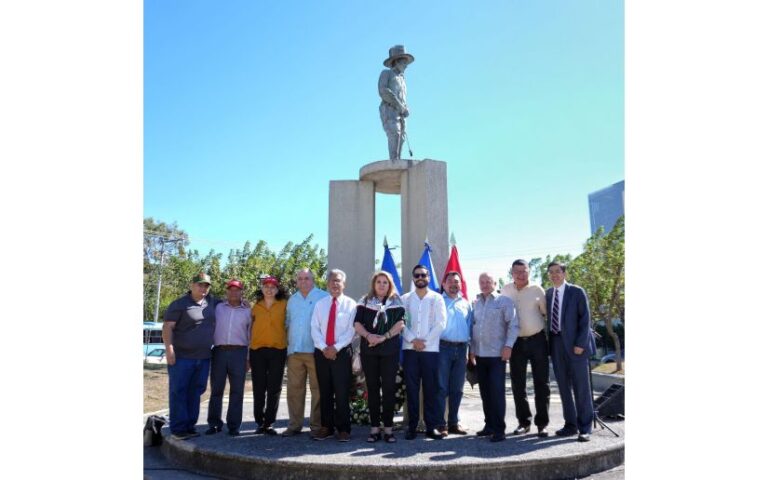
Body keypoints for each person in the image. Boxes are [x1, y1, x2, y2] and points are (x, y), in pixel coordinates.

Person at [162, 272, 218, 440]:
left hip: (204, 357)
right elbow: (167, 327)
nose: (203, 288)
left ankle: (190, 426)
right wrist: (169, 349)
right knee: (179, 391)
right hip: (182, 358)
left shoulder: (212, 303)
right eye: (199, 284)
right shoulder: (179, 304)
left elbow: (232, 302)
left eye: (206, 285)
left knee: (196, 392)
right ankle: (178, 429)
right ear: (191, 286)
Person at [353, 271, 406, 443]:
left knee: (389, 390)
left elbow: (401, 324)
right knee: (373, 390)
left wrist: (383, 337)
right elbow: (357, 323)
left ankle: (389, 429)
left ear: (389, 284)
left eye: (385, 282)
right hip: (369, 351)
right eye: (379, 282)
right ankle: (375, 428)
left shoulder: (397, 301)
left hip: (389, 351)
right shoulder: (365, 301)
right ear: (374, 284)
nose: (382, 285)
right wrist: (369, 336)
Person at [546, 261, 596, 442]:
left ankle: (585, 427)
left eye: (558, 271)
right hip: (556, 344)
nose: (554, 275)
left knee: (581, 387)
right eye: (551, 272)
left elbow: (585, 319)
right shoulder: (549, 293)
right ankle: (570, 425)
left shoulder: (577, 291)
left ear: (564, 273)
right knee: (563, 387)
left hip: (576, 346)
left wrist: (581, 343)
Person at [501, 259, 551, 438]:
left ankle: (542, 424)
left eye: (524, 271)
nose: (521, 275)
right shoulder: (505, 290)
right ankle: (524, 422)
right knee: (518, 385)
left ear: (529, 272)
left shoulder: (538, 290)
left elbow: (546, 314)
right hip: (516, 343)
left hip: (537, 340)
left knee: (541, 384)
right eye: (517, 271)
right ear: (511, 273)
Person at [469, 273, 519, 442]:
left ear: (495, 283)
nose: (484, 284)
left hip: (497, 355)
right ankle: (489, 425)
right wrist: (473, 350)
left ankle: (499, 429)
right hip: (481, 355)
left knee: (497, 393)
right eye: (481, 281)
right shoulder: (475, 303)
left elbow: (513, 325)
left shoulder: (504, 301)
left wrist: (508, 346)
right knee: (485, 393)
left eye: (488, 281)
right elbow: (474, 328)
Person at [310, 269, 357, 442]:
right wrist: (324, 348)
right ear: (327, 284)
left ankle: (344, 429)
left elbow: (351, 331)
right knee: (325, 390)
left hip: (342, 353)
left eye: (338, 281)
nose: (335, 284)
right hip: (322, 353)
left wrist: (335, 348)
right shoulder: (320, 304)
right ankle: (326, 427)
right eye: (331, 281)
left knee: (342, 391)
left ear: (344, 284)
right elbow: (314, 328)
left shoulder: (351, 305)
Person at [401, 265, 447, 440]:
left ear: (428, 277)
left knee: (431, 389)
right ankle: (411, 427)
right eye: (417, 275)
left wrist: (424, 342)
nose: (420, 277)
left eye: (423, 275)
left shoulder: (437, 298)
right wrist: (414, 340)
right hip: (410, 349)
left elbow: (441, 323)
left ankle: (431, 427)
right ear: (413, 278)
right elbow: (401, 323)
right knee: (412, 389)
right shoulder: (405, 299)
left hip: (430, 351)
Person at [282, 269, 329, 437]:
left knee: (317, 389)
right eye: (300, 278)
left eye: (306, 278)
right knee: (294, 390)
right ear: (296, 281)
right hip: (295, 351)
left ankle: (316, 425)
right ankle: (294, 425)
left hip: (315, 351)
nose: (303, 281)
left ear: (313, 280)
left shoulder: (323, 297)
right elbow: (287, 323)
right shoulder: (292, 300)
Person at [206, 279, 251, 437]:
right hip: (219, 352)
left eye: (237, 290)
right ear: (227, 291)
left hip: (239, 353)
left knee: (237, 391)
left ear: (241, 292)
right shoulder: (218, 308)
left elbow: (250, 335)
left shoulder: (247, 311)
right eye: (231, 289)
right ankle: (214, 423)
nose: (234, 292)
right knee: (216, 390)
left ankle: (234, 426)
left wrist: (248, 358)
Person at [249, 275, 288, 435]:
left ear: (277, 289)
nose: (269, 289)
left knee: (274, 388)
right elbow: (249, 327)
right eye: (266, 286)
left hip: (278, 350)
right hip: (257, 350)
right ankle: (259, 422)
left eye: (273, 287)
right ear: (262, 288)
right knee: (259, 387)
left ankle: (269, 423)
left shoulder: (285, 305)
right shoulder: (254, 306)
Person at [436, 271, 472, 436]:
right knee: (441, 388)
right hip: (443, 348)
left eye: (456, 281)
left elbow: (470, 328)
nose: (453, 284)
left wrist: (468, 351)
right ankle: (441, 424)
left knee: (457, 389)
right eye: (449, 281)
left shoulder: (466, 304)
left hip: (461, 348)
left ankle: (454, 423)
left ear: (460, 284)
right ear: (444, 285)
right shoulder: (438, 302)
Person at [378, 45, 414, 160]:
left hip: (400, 114)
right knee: (395, 134)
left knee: (402, 137)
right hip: (389, 111)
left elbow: (403, 98)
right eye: (404, 62)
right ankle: (394, 162)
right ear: (397, 62)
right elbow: (383, 91)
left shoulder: (402, 80)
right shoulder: (386, 74)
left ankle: (397, 160)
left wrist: (405, 108)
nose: (406, 66)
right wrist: (399, 105)